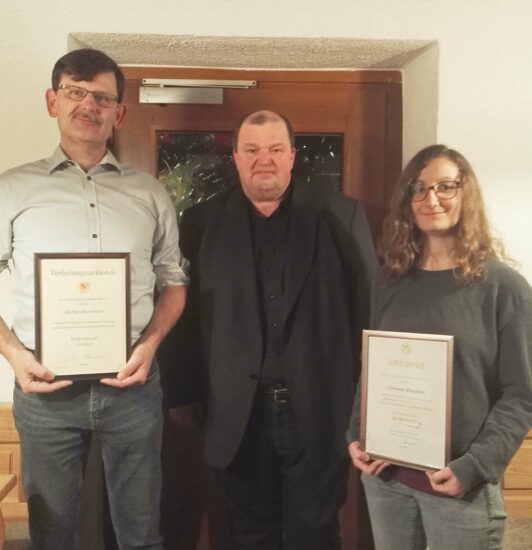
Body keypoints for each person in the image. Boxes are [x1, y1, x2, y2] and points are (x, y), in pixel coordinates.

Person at [0, 48, 188, 549]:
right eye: (75, 92)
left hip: (133, 389)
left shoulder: (150, 193)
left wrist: (149, 346)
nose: (88, 105)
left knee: (141, 534)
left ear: (119, 113)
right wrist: (14, 355)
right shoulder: (11, 189)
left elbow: (174, 283)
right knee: (51, 536)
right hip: (44, 391)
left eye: (102, 97)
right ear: (52, 101)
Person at [162, 110, 377, 550]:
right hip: (235, 415)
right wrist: (180, 393)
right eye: (252, 150)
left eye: (276, 149)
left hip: (320, 412)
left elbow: (371, 313)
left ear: (292, 156)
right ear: (236, 158)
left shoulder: (341, 214)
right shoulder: (199, 223)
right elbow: (183, 316)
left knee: (315, 536)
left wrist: (368, 405)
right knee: (246, 536)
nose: (265, 159)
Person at [347, 144, 532, 550]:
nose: (431, 199)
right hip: (387, 481)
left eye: (446, 186)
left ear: (467, 193)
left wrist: (474, 466)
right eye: (419, 188)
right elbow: (373, 368)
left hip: (459, 489)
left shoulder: (504, 288)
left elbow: (521, 394)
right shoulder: (389, 282)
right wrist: (358, 434)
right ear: (407, 199)